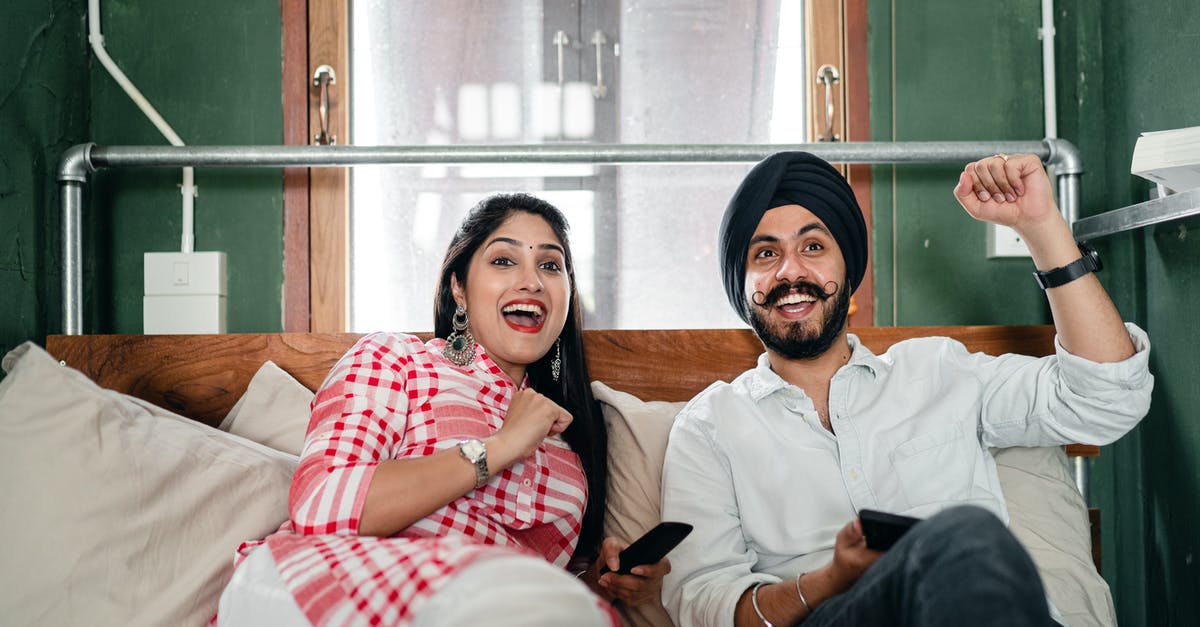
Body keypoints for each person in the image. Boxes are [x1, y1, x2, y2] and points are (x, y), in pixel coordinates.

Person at [660, 151, 1153, 626]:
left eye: (813, 247)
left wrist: (1043, 228)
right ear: (741, 286)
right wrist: (831, 579)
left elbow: (1106, 398)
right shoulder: (709, 429)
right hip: (831, 618)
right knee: (965, 531)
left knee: (968, 540)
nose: (791, 272)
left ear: (846, 268)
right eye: (766, 254)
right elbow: (706, 607)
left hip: (978, 605)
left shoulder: (941, 371)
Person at [217, 193, 669, 626]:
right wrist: (499, 447)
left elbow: (529, 596)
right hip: (318, 584)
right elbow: (322, 505)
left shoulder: (568, 448)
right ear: (459, 288)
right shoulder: (396, 360)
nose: (531, 280)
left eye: (550, 265)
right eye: (504, 260)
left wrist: (601, 584)